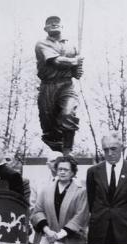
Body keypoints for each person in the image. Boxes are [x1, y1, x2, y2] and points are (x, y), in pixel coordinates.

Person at [86, 132, 127, 244]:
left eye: (113, 149)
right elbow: (91, 200)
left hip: (126, 230)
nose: (109, 153)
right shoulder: (93, 172)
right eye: (105, 150)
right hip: (99, 230)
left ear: (122, 147)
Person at [35, 16, 83, 155]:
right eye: (50, 23)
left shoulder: (71, 46)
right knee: (49, 127)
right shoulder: (41, 44)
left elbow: (76, 73)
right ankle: (57, 151)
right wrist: (75, 61)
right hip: (48, 87)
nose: (54, 24)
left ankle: (68, 151)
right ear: (46, 28)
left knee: (68, 115)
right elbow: (56, 61)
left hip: (66, 86)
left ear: (62, 26)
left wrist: (78, 69)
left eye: (57, 22)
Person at [30, 156, 89, 244]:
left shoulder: (81, 191)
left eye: (66, 170)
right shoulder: (45, 190)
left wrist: (60, 235)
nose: (62, 172)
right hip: (47, 239)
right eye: (60, 169)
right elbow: (38, 212)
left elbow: (81, 216)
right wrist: (47, 231)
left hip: (71, 241)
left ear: (73, 172)